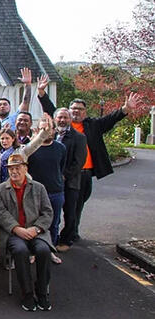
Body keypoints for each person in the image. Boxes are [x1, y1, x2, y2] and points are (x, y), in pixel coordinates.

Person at [37, 78, 142, 245]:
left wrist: (126, 109)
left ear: (85, 112)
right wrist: (41, 93)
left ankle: (71, 235)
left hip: (82, 175)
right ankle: (54, 237)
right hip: (57, 176)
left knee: (75, 208)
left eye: (80, 109)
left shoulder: (93, 125)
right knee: (54, 206)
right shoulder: (59, 128)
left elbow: (111, 118)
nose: (76, 111)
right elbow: (50, 109)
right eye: (73, 109)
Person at [0, 153, 55, 311]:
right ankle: (27, 293)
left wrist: (36, 229)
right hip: (14, 233)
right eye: (11, 169)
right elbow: (1, 214)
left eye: (17, 168)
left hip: (37, 231)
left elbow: (48, 212)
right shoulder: (0, 190)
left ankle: (42, 292)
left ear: (25, 168)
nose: (14, 172)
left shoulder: (39, 188)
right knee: (20, 251)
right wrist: (17, 229)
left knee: (43, 251)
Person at [44, 100, 88, 252]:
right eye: (59, 117)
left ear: (70, 119)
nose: (62, 120)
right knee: (50, 213)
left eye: (65, 117)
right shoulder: (50, 134)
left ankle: (66, 240)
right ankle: (50, 239)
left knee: (70, 213)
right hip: (51, 182)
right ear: (55, 119)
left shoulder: (79, 137)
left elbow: (79, 162)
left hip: (70, 182)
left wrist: (64, 176)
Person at [27, 116, 67, 263]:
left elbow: (62, 167)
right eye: (43, 128)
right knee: (33, 223)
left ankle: (50, 251)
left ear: (54, 130)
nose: (46, 131)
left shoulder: (60, 148)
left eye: (49, 129)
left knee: (53, 223)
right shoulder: (31, 148)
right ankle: (33, 251)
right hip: (34, 192)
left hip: (55, 191)